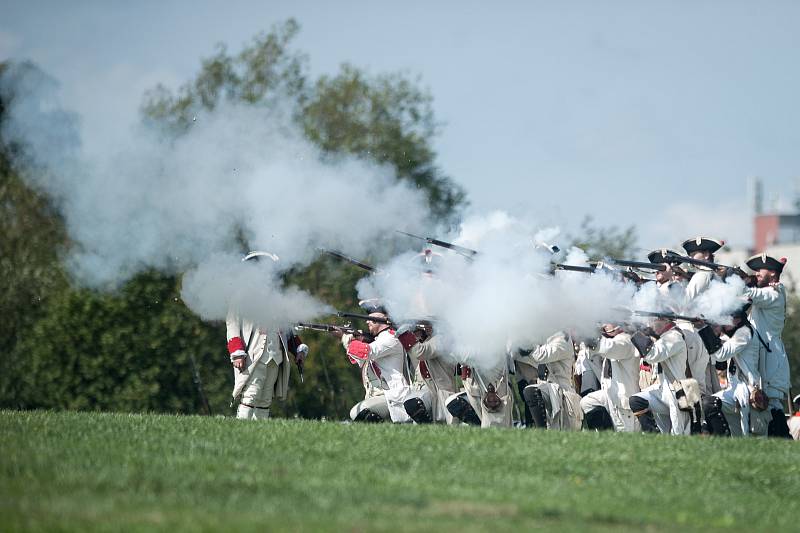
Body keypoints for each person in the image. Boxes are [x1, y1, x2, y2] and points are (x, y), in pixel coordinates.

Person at [226, 251, 308, 420]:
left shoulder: (276, 300)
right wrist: (237, 353)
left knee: (265, 398)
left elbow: (287, 330)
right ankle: (242, 429)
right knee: (250, 394)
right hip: (253, 355)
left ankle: (259, 433)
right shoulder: (240, 297)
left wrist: (298, 349)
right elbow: (232, 326)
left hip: (275, 357)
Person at [743, 253, 792, 438]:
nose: (755, 274)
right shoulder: (771, 291)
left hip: (771, 360)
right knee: (767, 409)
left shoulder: (773, 293)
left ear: (772, 273)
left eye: (759, 270)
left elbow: (747, 294)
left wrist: (736, 280)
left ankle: (784, 443)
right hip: (767, 357)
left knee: (771, 408)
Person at [705, 306, 772, 436]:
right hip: (736, 391)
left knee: (709, 404)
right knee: (710, 404)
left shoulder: (744, 332)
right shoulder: (736, 334)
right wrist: (715, 333)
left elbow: (721, 354)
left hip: (749, 390)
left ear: (736, 320)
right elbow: (720, 365)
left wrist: (704, 329)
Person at [336, 310, 412, 423]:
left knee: (359, 412)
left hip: (396, 395)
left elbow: (366, 352)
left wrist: (346, 338)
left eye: (371, 319)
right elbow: (359, 359)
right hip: (386, 395)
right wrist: (357, 340)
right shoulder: (378, 339)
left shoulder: (390, 338)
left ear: (383, 318)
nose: (367, 322)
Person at [629, 318, 692, 435]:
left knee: (680, 434)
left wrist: (634, 332)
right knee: (636, 401)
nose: (651, 323)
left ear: (665, 320)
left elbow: (651, 355)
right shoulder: (665, 336)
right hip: (664, 389)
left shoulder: (673, 336)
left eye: (654, 319)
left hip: (677, 391)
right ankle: (653, 437)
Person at [580, 324, 640, 432]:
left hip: (624, 404)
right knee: (587, 402)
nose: (604, 325)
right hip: (611, 396)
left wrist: (593, 336)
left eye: (608, 321)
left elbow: (609, 347)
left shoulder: (625, 341)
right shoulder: (614, 339)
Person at [522, 331, 583, 430]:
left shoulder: (563, 338)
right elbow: (526, 357)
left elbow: (541, 355)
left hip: (564, 397)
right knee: (530, 391)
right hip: (549, 393)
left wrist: (529, 347)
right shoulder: (545, 339)